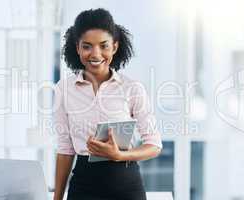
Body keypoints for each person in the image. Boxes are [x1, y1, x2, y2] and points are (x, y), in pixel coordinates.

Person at [53, 8, 162, 200]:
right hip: (83, 186)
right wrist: (57, 198)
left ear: (115, 47)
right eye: (87, 46)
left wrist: (119, 155)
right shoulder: (64, 88)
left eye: (104, 46)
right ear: (77, 48)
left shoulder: (132, 88)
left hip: (126, 187)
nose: (96, 54)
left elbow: (154, 145)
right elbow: (65, 149)